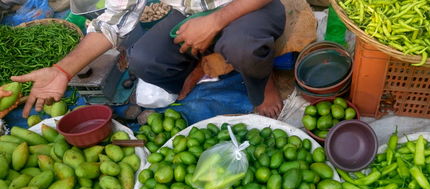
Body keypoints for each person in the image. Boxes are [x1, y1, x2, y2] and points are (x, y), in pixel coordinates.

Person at [12, 0, 286, 119]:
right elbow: (113, 22)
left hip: (248, 8)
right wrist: (62, 70)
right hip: (190, 16)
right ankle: (199, 65)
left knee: (243, 47)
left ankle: (262, 84)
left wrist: (215, 21)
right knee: (143, 60)